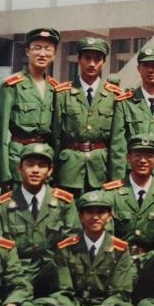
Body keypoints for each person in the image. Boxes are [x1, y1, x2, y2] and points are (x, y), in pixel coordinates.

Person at [34, 190, 136, 306]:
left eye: (101, 212)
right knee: (39, 305)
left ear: (109, 217)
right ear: (81, 217)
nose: (95, 217)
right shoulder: (66, 247)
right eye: (89, 212)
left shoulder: (120, 249)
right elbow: (62, 290)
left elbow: (120, 292)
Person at [102, 133, 154, 301]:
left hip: (153, 264)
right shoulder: (110, 193)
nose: (143, 160)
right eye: (137, 154)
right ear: (128, 157)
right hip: (118, 262)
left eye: (149, 155)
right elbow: (105, 234)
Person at [0, 143, 78, 298]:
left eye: (42, 165)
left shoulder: (64, 203)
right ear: (19, 168)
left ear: (50, 170)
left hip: (54, 276)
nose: (35, 170)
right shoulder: (4, 205)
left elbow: (71, 243)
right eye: (30, 164)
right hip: (16, 274)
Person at [52, 37, 128, 196]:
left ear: (104, 62)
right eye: (87, 58)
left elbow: (117, 143)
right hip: (69, 171)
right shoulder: (62, 93)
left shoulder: (114, 96)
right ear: (78, 60)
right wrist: (53, 174)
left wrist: (117, 179)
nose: (92, 64)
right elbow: (55, 138)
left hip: (100, 170)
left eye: (97, 59)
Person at [0, 28, 63, 191]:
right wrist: (3, 173)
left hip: (45, 159)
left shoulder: (55, 88)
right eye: (37, 48)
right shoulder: (12, 85)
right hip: (19, 158)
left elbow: (57, 134)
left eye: (48, 49)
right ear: (27, 51)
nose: (42, 54)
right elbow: (0, 133)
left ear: (54, 54)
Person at [109, 45, 154, 183]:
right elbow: (118, 147)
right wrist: (117, 181)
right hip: (131, 174)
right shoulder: (125, 103)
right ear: (138, 68)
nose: (150, 70)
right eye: (146, 65)